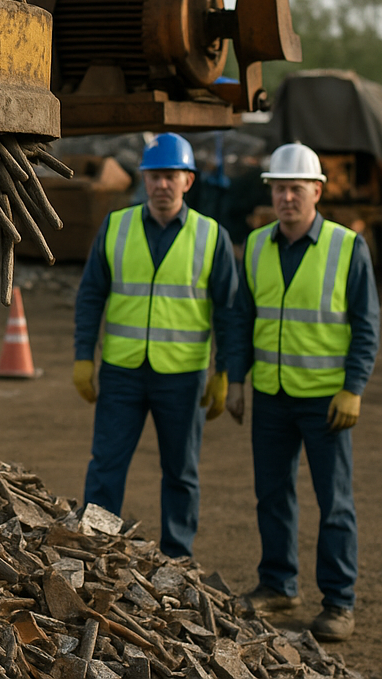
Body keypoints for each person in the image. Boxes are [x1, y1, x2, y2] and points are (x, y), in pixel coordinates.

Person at [225, 142, 379, 642]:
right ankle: (277, 585)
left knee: (334, 503)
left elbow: (366, 325)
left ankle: (339, 602)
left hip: (325, 399)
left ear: (317, 190)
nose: (287, 197)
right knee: (272, 495)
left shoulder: (346, 246)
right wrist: (236, 380)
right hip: (271, 394)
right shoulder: (256, 246)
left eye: (296, 188)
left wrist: (353, 388)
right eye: (279, 188)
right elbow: (242, 319)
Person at [72, 132, 238, 558]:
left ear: (188, 180)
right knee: (106, 465)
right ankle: (96, 548)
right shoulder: (116, 226)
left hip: (182, 377)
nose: (162, 185)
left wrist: (226, 373)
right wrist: (82, 357)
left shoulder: (210, 236)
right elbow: (91, 295)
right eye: (155, 176)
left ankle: (176, 559)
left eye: (171, 176)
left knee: (181, 473)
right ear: (144, 180)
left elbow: (229, 311)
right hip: (123, 371)